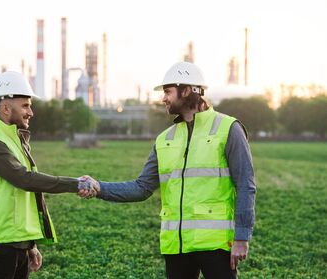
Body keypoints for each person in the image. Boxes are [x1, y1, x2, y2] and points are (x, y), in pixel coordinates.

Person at [79, 62, 256, 278]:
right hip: (176, 247)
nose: (163, 99)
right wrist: (99, 188)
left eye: (167, 92)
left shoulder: (228, 129)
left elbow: (246, 185)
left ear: (187, 90)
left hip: (216, 245)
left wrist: (242, 237)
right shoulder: (165, 139)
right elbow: (142, 187)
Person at [0, 71, 83, 279]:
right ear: (5, 108)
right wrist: (74, 184)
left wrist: (29, 245)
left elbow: (16, 201)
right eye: (25, 105)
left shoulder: (13, 140)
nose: (31, 112)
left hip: (14, 245)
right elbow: (24, 180)